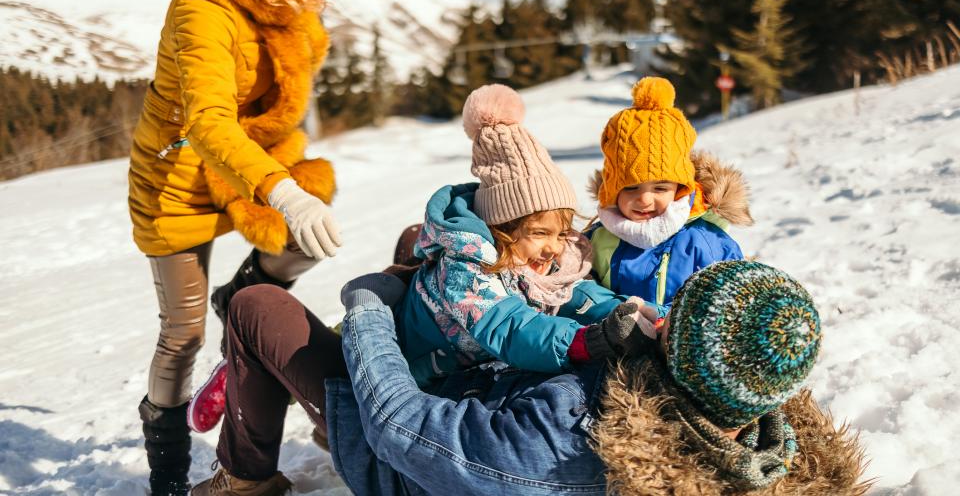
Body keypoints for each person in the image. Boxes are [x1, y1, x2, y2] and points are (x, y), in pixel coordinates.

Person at [191, 259, 868, 495]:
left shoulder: (575, 443)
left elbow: (403, 427)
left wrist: (367, 311)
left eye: (672, 317)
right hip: (484, 390)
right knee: (422, 253)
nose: (656, 317)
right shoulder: (747, 417)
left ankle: (248, 478)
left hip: (404, 463)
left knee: (256, 308)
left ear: (684, 349)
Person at [127, 0, 340, 493]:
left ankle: (239, 309)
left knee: (302, 243)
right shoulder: (202, 7)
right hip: (177, 183)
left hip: (243, 168)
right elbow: (207, 124)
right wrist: (283, 190)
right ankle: (167, 472)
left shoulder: (277, 3)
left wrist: (286, 184)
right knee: (182, 335)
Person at [395, 83, 656, 388]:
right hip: (427, 375)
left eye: (561, 233)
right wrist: (585, 342)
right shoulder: (463, 268)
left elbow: (579, 297)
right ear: (502, 227)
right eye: (540, 233)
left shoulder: (542, 258)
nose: (554, 248)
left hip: (487, 366)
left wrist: (643, 315)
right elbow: (509, 327)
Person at [586, 76, 753, 313]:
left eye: (660, 188)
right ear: (612, 190)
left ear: (680, 189)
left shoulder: (704, 242)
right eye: (631, 187)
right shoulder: (599, 240)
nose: (644, 200)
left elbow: (730, 309)